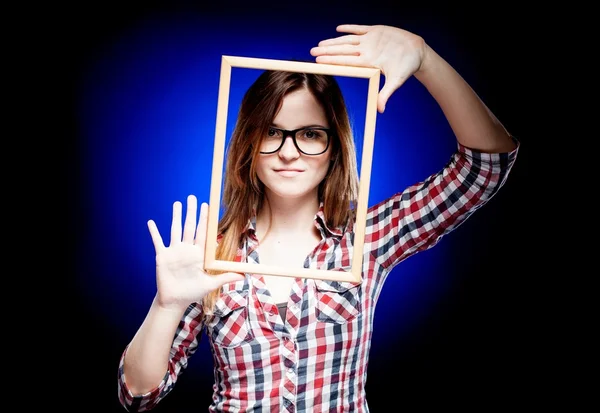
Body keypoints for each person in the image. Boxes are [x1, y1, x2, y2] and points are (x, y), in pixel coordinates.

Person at [117, 23, 519, 412]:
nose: (289, 152)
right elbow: (138, 396)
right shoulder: (208, 253)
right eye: (272, 132)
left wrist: (424, 58)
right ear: (248, 144)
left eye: (310, 133)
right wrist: (166, 306)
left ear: (334, 149)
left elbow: (486, 168)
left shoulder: (368, 238)